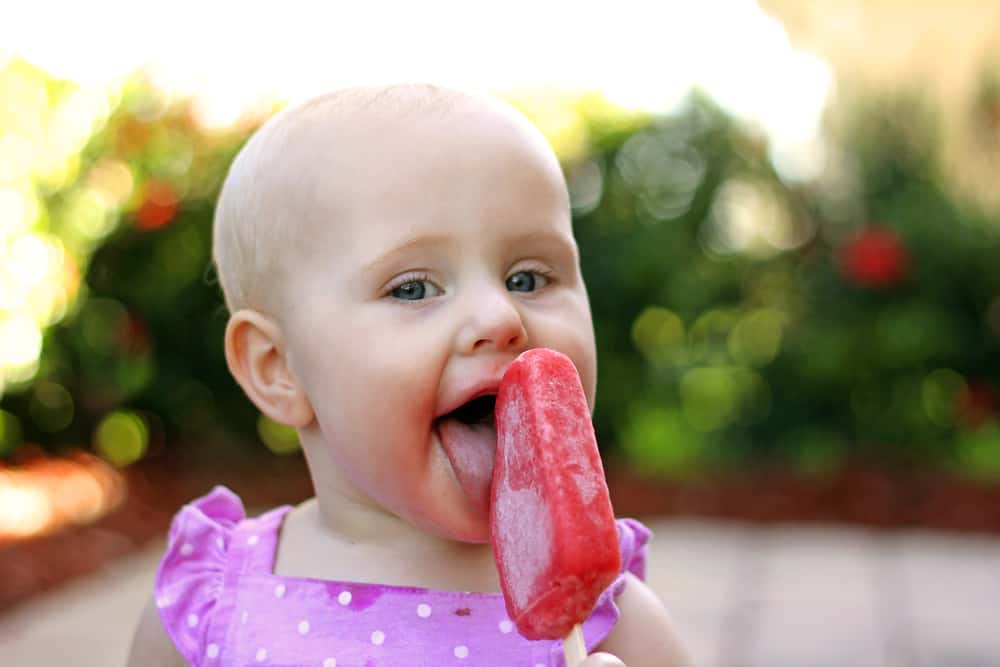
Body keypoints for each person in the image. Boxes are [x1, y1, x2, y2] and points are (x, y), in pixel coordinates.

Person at [126, 84, 693, 667]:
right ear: (280, 368)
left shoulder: (605, 621)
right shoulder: (214, 603)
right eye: (414, 288)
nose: (501, 317)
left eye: (527, 278)